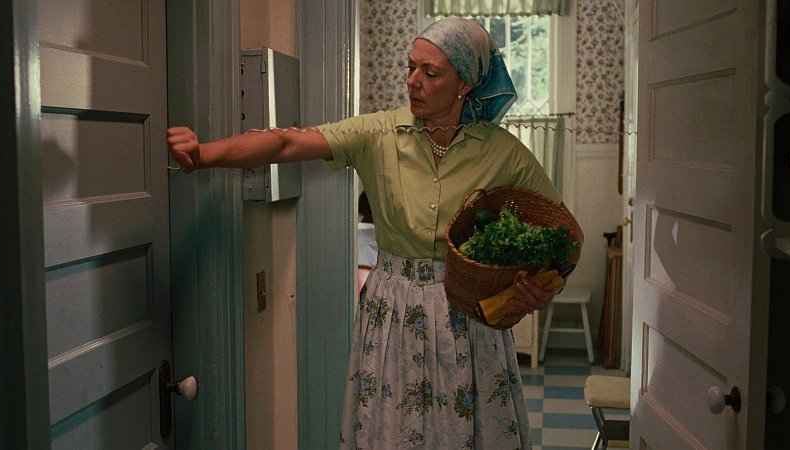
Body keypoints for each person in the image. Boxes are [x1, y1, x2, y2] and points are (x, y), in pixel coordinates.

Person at [167, 16, 583, 449]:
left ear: (464, 84)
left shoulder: (503, 152)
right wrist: (204, 154)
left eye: (430, 73)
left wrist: (544, 287)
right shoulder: (379, 133)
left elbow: (566, 236)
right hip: (394, 316)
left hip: (470, 322)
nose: (412, 81)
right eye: (411, 67)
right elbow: (287, 142)